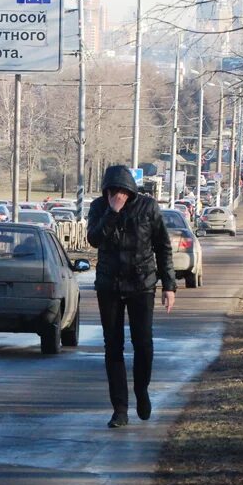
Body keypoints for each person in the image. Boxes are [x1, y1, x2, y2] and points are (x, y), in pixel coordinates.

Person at [87, 165, 177, 428]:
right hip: (109, 286)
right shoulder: (99, 207)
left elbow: (163, 247)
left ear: (130, 191)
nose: (117, 196)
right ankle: (120, 409)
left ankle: (141, 390)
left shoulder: (148, 207)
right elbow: (94, 239)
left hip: (141, 284)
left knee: (143, 343)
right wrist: (112, 212)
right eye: (111, 192)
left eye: (121, 192)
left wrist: (169, 286)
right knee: (113, 347)